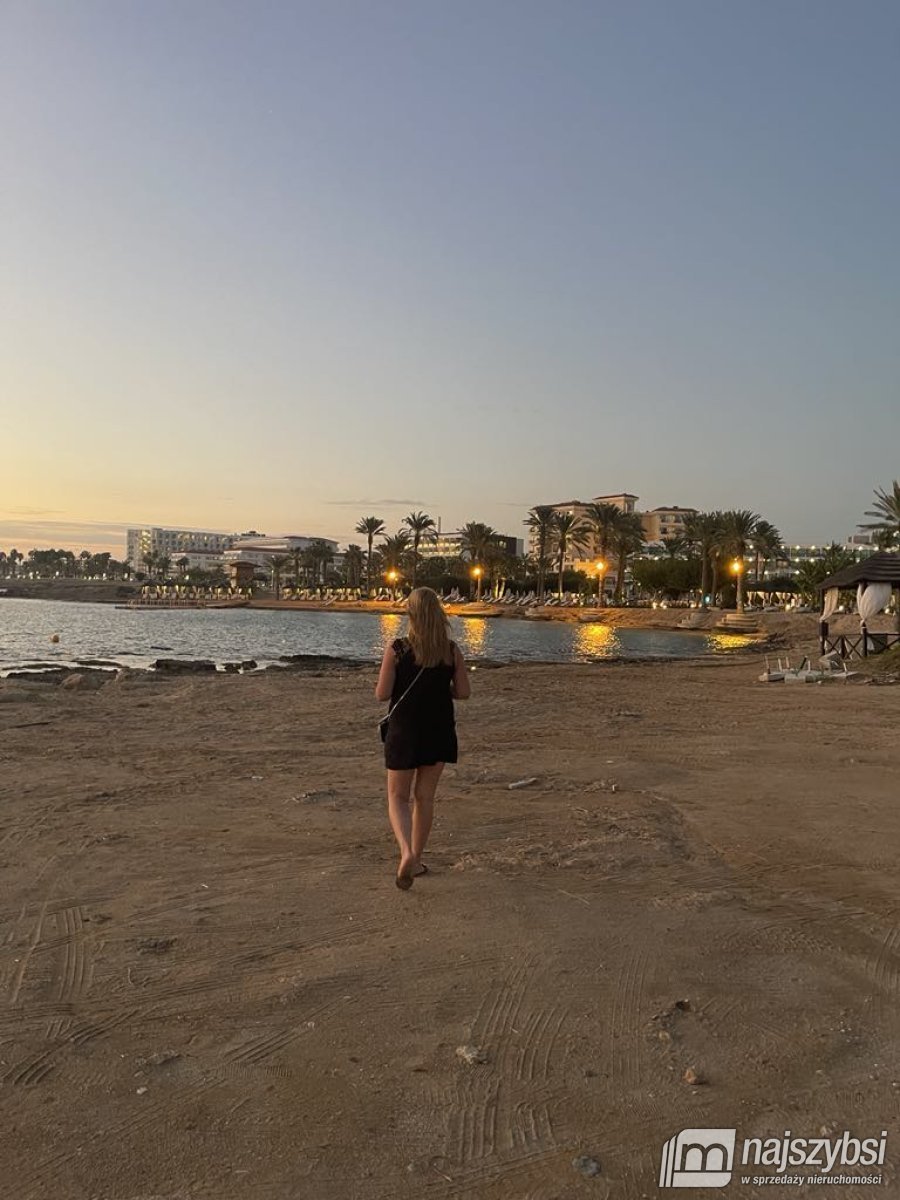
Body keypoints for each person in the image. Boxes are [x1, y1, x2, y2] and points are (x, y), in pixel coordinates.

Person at [374, 586, 471, 889]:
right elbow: (464, 692)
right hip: (438, 730)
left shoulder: (398, 649)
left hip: (404, 730)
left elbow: (382, 694)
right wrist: (442, 688)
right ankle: (416, 859)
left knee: (397, 796)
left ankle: (406, 852)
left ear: (411, 614)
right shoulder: (450, 650)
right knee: (424, 797)